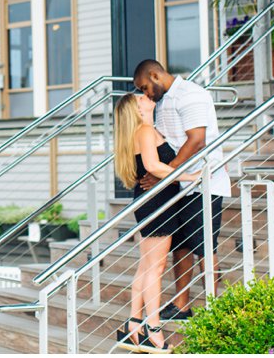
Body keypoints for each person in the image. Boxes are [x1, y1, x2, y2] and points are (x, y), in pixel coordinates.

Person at [132, 60, 231, 322]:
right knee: (181, 247)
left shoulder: (191, 95)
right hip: (179, 185)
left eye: (144, 87)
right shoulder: (161, 102)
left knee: (204, 246)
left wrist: (167, 174)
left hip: (203, 182)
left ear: (155, 75)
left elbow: (196, 140)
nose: (145, 94)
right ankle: (181, 305)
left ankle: (215, 309)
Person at [113, 92, 198, 354]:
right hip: (156, 202)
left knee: (147, 266)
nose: (147, 96)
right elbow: (153, 166)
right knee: (155, 268)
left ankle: (133, 328)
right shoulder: (145, 131)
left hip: (153, 200)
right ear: (137, 109)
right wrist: (189, 176)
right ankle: (153, 330)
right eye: (141, 96)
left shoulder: (147, 130)